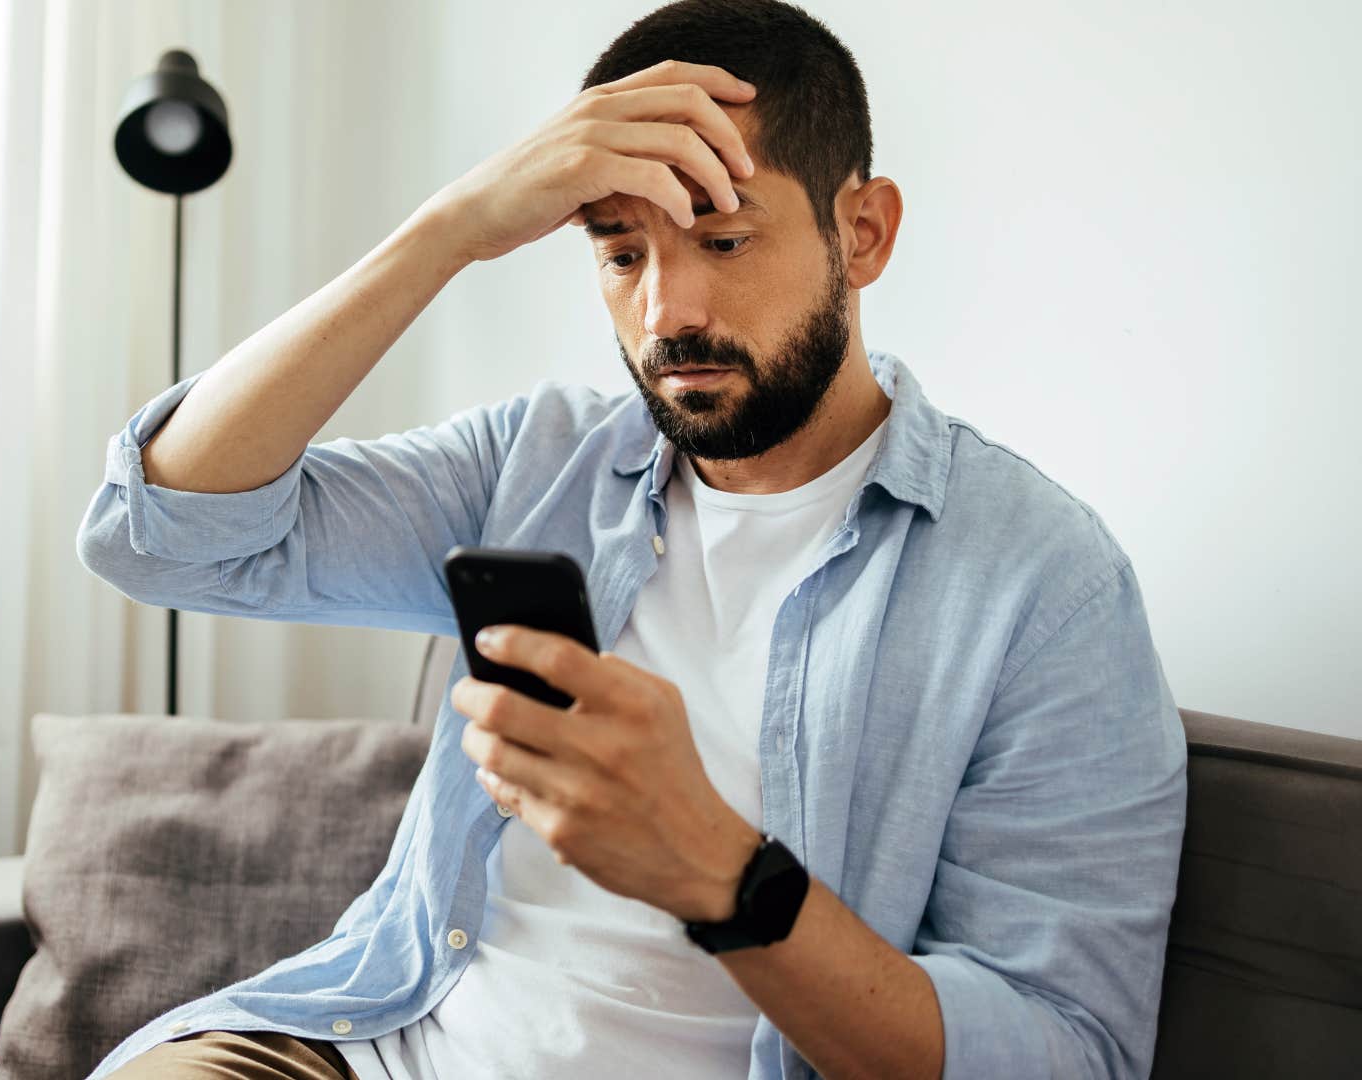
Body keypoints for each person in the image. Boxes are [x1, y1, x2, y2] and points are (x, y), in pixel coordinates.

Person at [77, 1, 1188, 1077]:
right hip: (377, 1047)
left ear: (864, 232)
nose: (666, 312)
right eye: (621, 254)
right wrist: (450, 231)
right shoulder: (541, 461)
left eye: (724, 237)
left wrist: (721, 873)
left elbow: (1065, 1052)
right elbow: (165, 534)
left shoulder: (1043, 587)